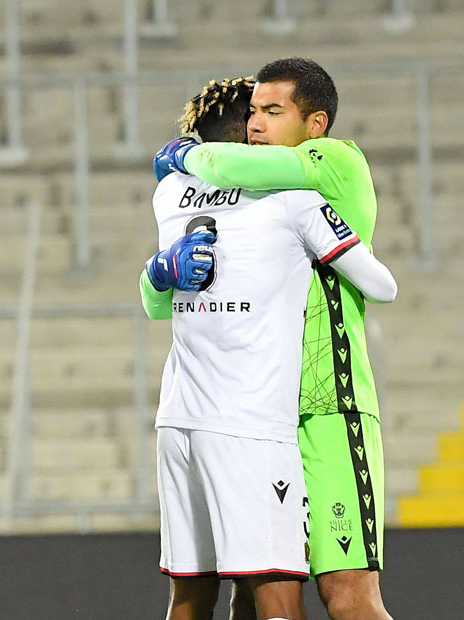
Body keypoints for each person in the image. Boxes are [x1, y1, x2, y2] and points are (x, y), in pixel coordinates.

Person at [141, 76, 397, 620]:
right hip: (256, 409)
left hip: (327, 402)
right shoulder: (249, 196)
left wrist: (190, 155)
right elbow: (160, 303)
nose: (259, 126)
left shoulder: (332, 162)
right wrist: (159, 271)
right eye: (253, 113)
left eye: (272, 112)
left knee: (346, 592)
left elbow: (237, 166)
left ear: (313, 123)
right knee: (254, 585)